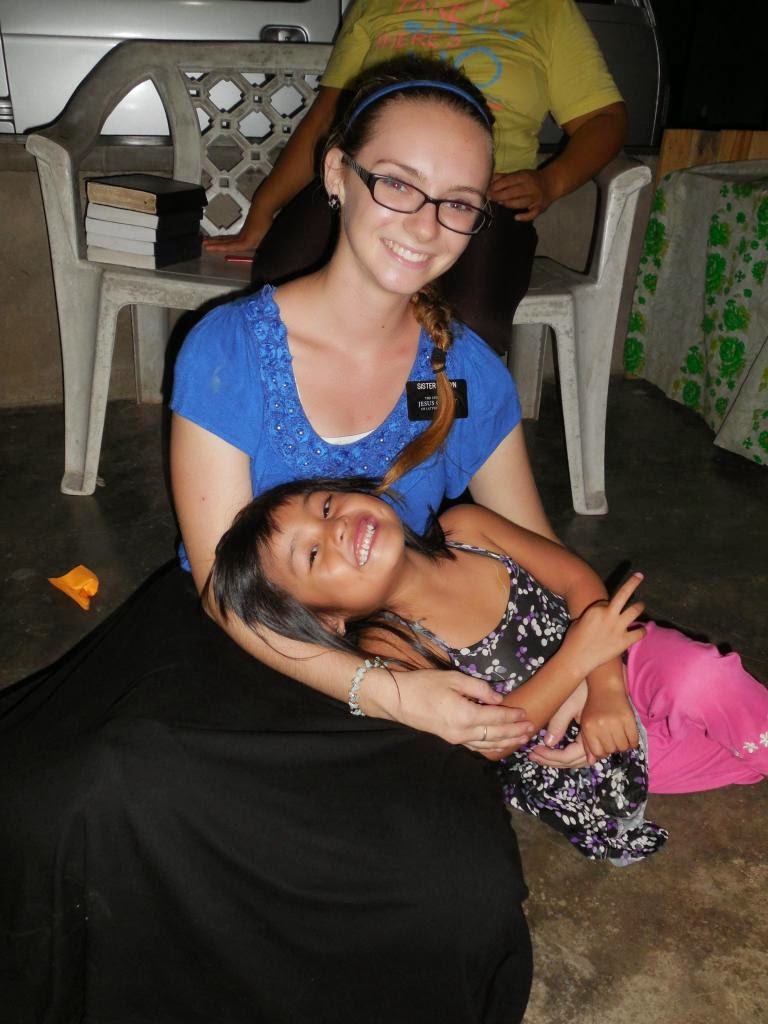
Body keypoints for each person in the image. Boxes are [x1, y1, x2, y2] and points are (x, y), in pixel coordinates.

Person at [0, 59, 556, 1023]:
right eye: (398, 184)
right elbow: (225, 586)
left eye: (459, 203)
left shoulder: (464, 371)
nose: (425, 224)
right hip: (233, 630)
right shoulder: (229, 347)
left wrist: (587, 673)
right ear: (337, 174)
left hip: (390, 634)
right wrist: (388, 695)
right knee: (90, 796)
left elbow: (536, 551)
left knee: (457, 894)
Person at [210, 477, 768, 864]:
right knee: (734, 751)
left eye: (326, 506)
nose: (332, 529)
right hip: (578, 749)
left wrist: (603, 684)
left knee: (703, 678)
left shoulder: (468, 528)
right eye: (311, 555)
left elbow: (576, 580)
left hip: (617, 655)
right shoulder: (393, 652)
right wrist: (574, 663)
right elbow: (492, 738)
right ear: (326, 620)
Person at [204, 0, 627, 353]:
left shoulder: (547, 9)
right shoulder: (374, 4)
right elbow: (327, 117)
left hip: (482, 196)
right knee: (283, 274)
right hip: (375, 181)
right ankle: (305, 411)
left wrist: (551, 182)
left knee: (472, 319)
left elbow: (605, 119)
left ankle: (434, 419)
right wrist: (263, 210)